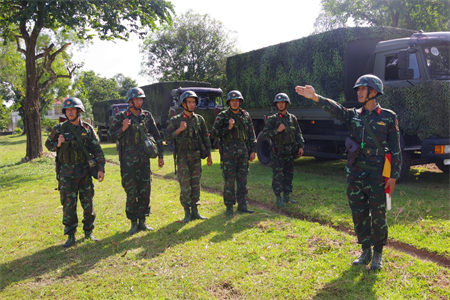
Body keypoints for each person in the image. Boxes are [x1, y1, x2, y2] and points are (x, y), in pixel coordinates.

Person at [295, 74, 402, 271]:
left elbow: (395, 150)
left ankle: (378, 252)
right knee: (359, 213)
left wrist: (393, 176)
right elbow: (336, 109)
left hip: (377, 174)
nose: (359, 92)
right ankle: (365, 250)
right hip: (355, 173)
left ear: (374, 92)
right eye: (358, 89)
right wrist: (316, 97)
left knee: (378, 213)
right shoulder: (353, 114)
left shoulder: (388, 116)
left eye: (362, 89)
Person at [45, 97, 105, 248]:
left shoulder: (87, 128)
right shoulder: (59, 128)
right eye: (67, 110)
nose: (70, 112)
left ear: (79, 111)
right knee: (68, 204)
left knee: (88, 203)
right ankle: (70, 235)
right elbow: (48, 144)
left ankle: (88, 232)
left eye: (73, 110)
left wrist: (100, 169)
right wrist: (57, 144)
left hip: (84, 172)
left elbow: (97, 150)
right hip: (66, 174)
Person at [108, 87, 164, 235]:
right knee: (131, 191)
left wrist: (161, 155)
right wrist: (123, 128)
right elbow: (111, 136)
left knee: (145, 189)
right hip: (128, 160)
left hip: (144, 159)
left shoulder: (147, 116)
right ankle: (133, 222)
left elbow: (156, 135)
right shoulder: (121, 117)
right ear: (130, 101)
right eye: (137, 99)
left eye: (141, 99)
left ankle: (143, 221)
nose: (140, 101)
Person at [165, 91, 212, 223]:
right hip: (182, 158)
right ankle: (187, 212)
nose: (192, 105)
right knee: (185, 186)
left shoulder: (199, 120)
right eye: (189, 102)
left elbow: (205, 138)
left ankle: (195, 211)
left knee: (196, 184)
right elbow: (167, 137)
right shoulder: (176, 120)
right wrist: (179, 130)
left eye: (193, 102)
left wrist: (208, 155)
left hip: (196, 157)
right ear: (183, 104)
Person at [211, 90, 257, 216]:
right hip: (229, 152)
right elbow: (214, 133)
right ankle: (229, 207)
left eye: (237, 100)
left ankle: (242, 205)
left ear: (240, 101)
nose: (235, 102)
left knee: (243, 180)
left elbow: (251, 134)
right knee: (229, 180)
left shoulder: (246, 115)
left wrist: (253, 150)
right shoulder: (223, 115)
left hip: (243, 151)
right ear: (229, 102)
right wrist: (228, 128)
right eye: (232, 100)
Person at [263, 93, 305, 207]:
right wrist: (277, 130)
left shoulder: (292, 118)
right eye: (278, 102)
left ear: (287, 103)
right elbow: (265, 133)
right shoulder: (273, 119)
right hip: (278, 152)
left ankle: (287, 196)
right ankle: (278, 197)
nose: (281, 104)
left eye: (283, 102)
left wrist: (301, 146)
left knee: (288, 174)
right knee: (278, 175)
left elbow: (298, 133)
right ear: (276, 104)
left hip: (290, 151)